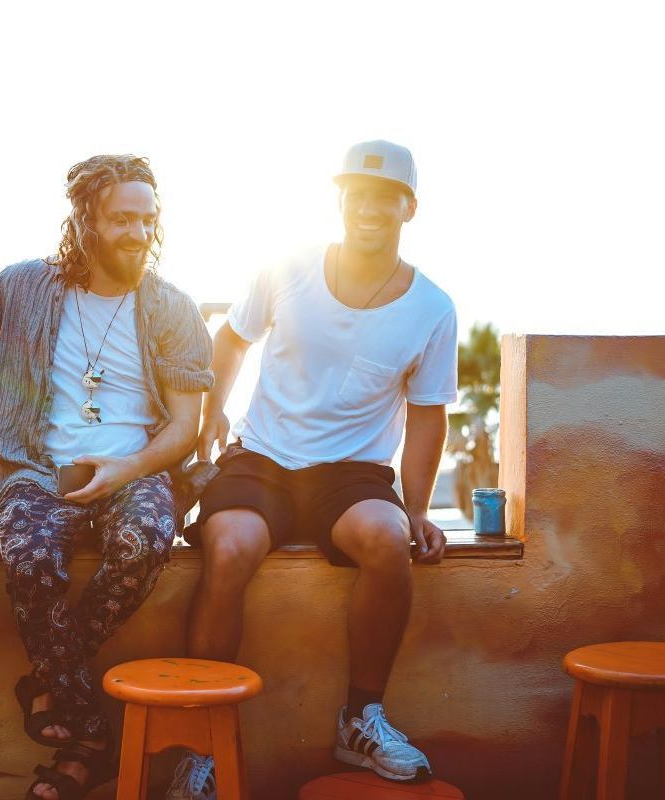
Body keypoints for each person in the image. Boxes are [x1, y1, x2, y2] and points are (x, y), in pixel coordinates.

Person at [0, 154, 212, 800]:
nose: (137, 232)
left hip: (136, 469)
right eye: (121, 218)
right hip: (34, 471)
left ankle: (53, 690)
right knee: (33, 563)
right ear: (86, 220)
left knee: (144, 540)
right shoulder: (25, 287)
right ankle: (91, 732)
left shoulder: (173, 310)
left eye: (147, 219)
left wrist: (128, 466)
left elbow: (184, 429)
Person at [169, 141, 457, 798]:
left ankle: (360, 720)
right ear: (340, 200)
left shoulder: (432, 307)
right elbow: (232, 339)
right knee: (231, 544)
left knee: (389, 543)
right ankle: (200, 741)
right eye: (357, 193)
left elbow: (428, 415)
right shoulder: (288, 268)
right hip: (263, 457)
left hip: (351, 472)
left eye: (385, 197)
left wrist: (416, 510)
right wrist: (214, 412)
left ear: (408, 208)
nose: (369, 207)